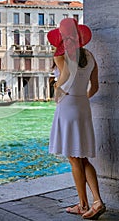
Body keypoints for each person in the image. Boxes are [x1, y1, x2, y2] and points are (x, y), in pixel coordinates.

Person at [47, 18, 106, 220]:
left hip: (68, 106)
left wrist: (56, 89)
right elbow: (95, 86)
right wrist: (82, 99)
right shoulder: (90, 56)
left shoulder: (62, 55)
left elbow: (64, 79)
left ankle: (82, 205)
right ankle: (97, 201)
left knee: (73, 158)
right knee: (82, 157)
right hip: (82, 105)